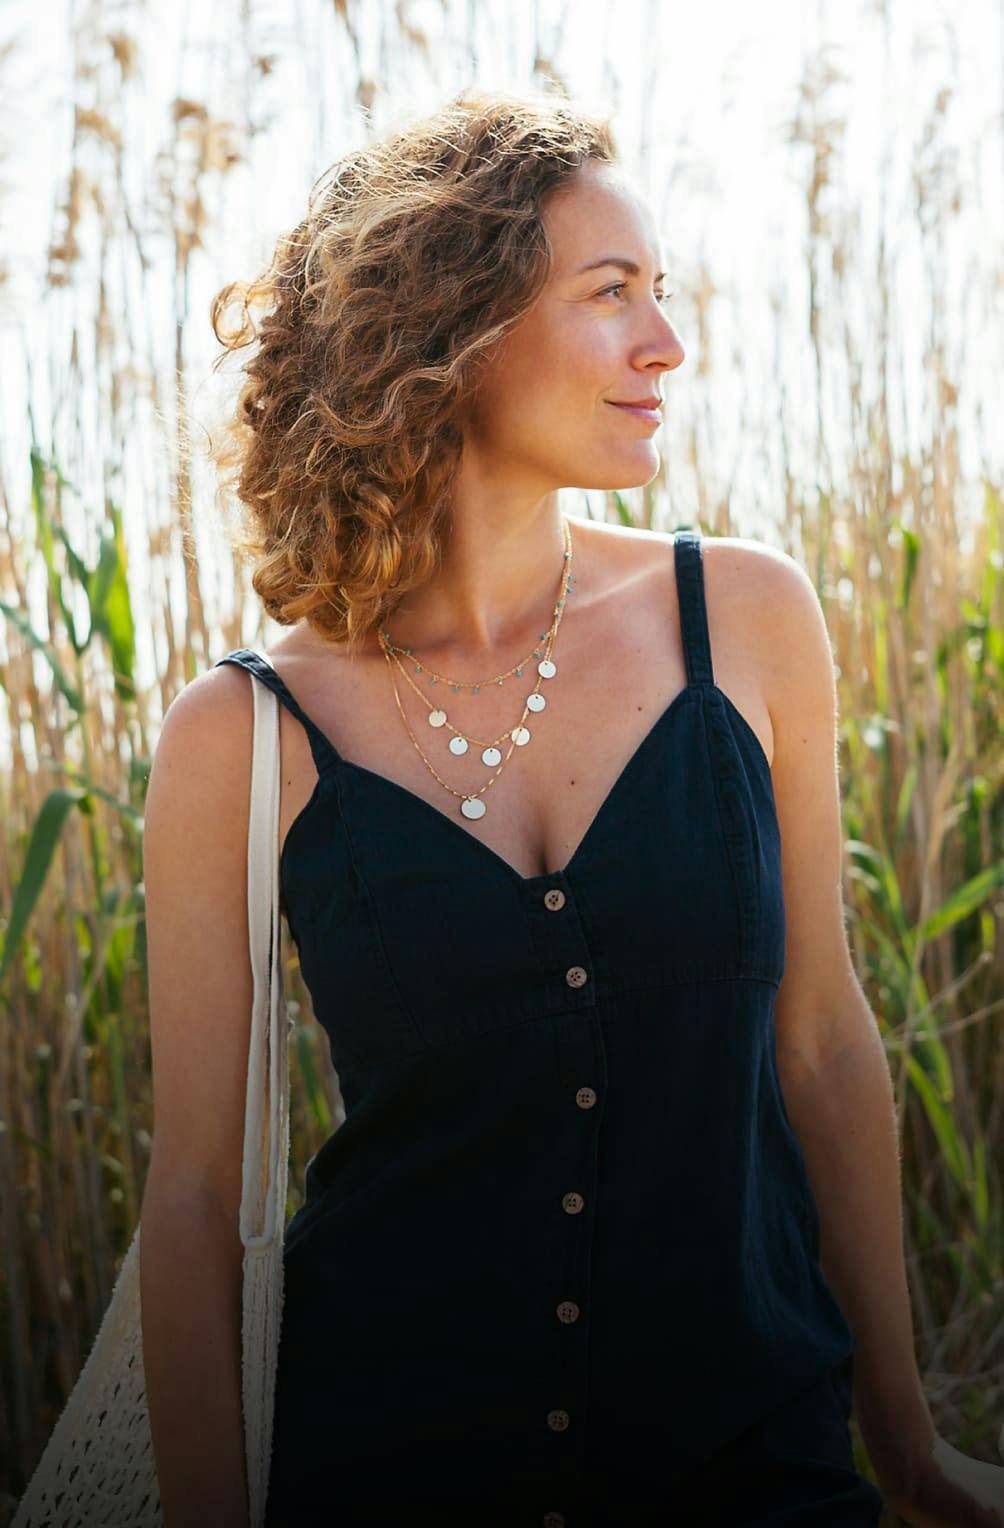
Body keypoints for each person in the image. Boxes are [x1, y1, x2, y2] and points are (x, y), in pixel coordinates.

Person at [139, 87, 1004, 1528]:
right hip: (394, 1480)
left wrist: (903, 1447)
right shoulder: (242, 736)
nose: (668, 343)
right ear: (451, 335)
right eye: (613, 295)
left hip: (757, 1473)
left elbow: (826, 1046)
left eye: (663, 291)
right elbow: (190, 1204)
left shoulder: (745, 619)